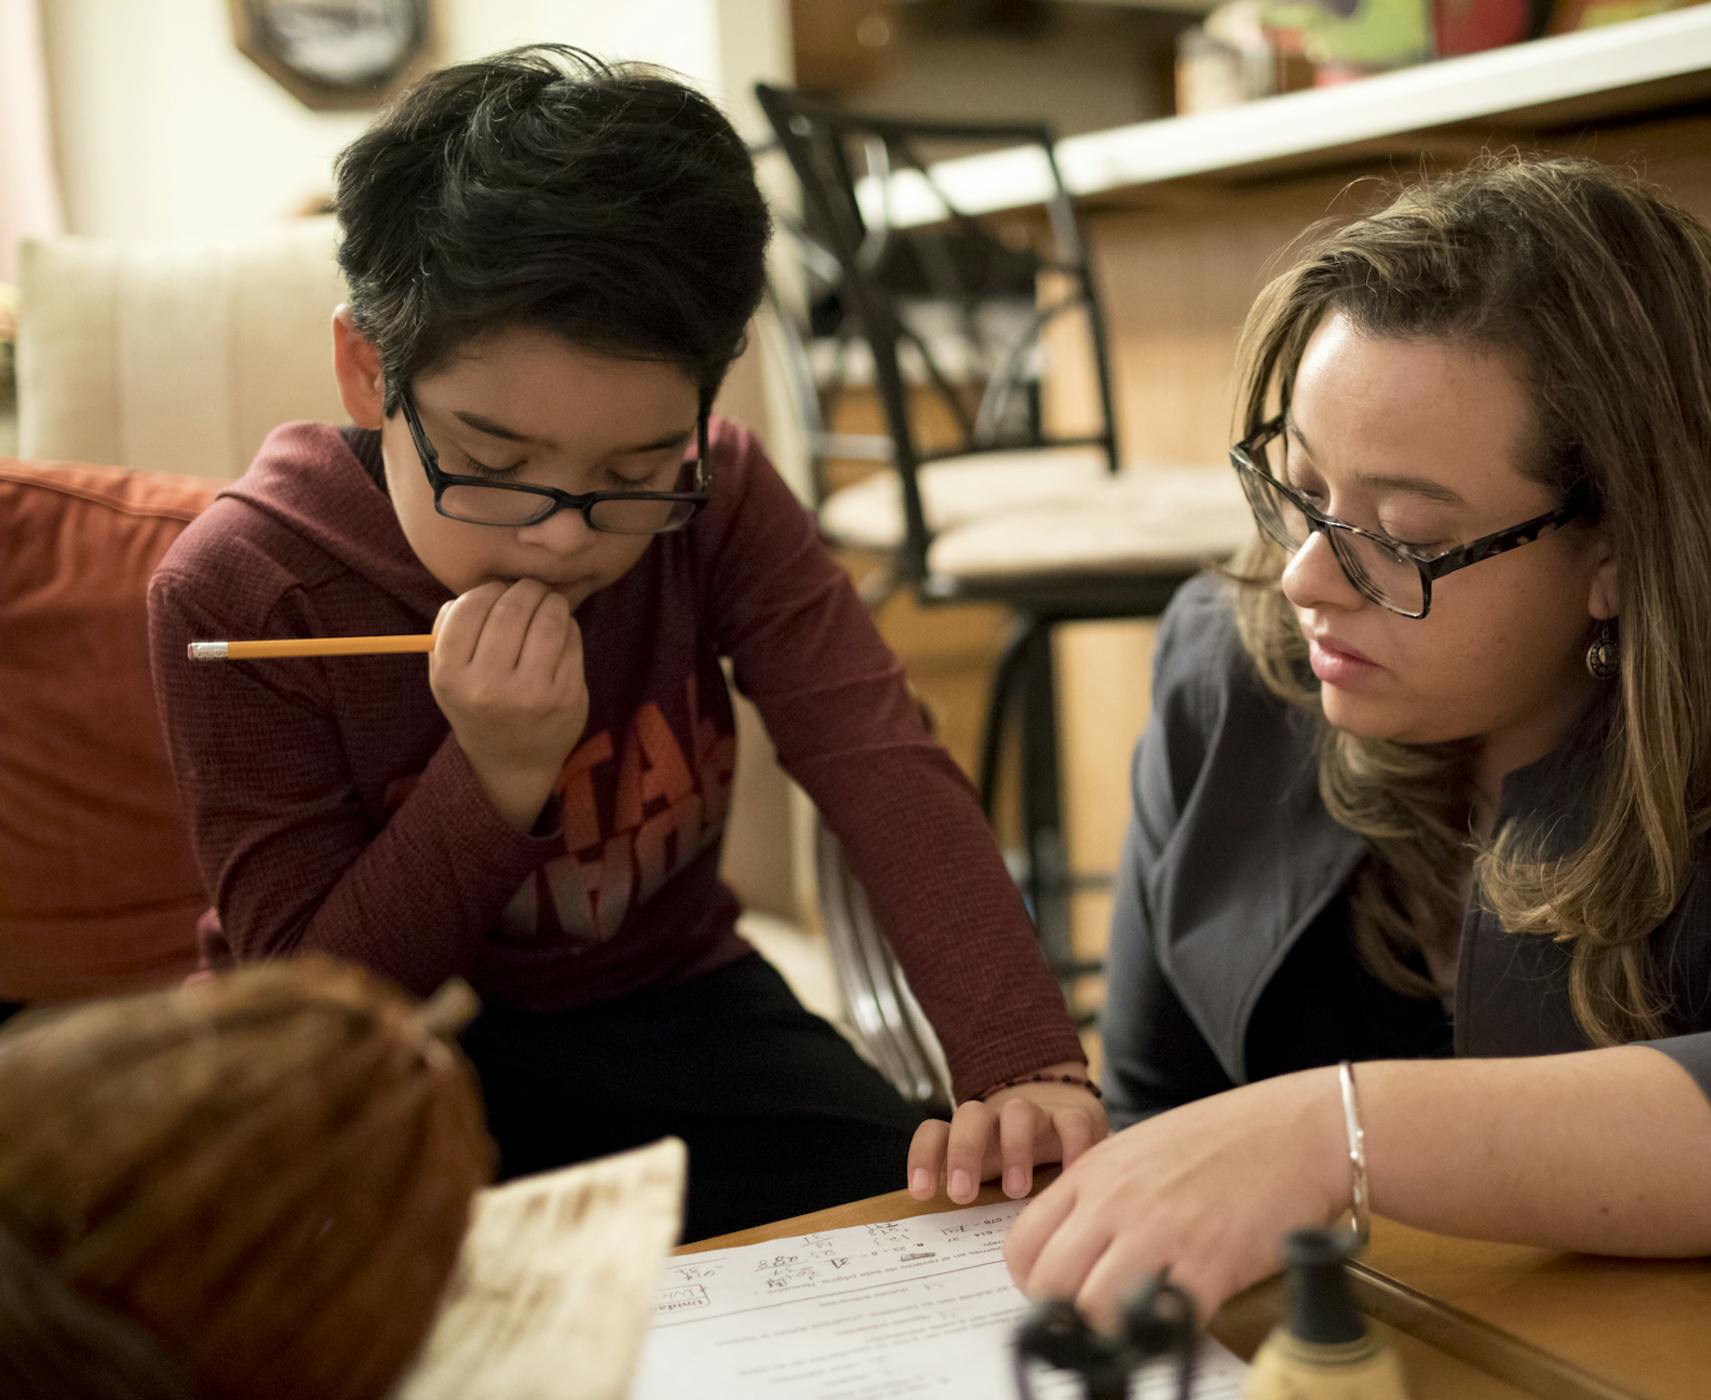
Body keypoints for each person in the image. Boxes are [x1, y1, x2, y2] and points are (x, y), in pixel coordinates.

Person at [1004, 157, 1711, 1323]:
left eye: (1402, 536)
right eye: (1304, 490)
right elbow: (1159, 1109)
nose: (1305, 579)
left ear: (1621, 551)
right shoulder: (1235, 662)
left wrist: (1339, 1131)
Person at [146, 46, 1103, 1242]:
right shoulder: (245, 589)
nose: (561, 534)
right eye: (493, 464)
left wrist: (1024, 1056)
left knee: (929, 1226)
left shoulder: (720, 497)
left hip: (676, 1011)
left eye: (636, 471)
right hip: (370, 1060)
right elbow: (310, 1003)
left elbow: (878, 758)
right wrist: (495, 771)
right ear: (366, 371)